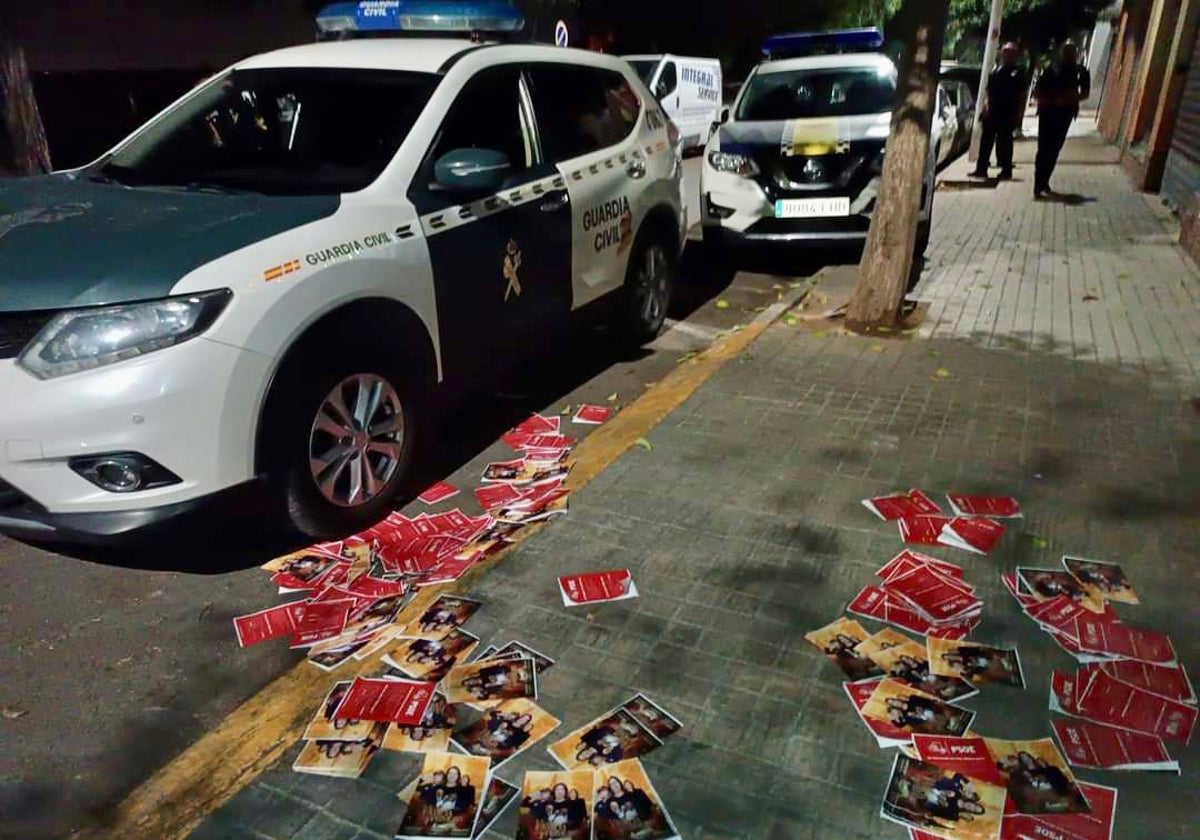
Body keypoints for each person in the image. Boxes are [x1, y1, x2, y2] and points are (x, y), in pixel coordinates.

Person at [1032, 41, 1090, 197]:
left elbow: (1085, 93)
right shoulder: (1052, 69)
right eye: (1066, 51)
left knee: (1055, 148)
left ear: (1076, 54)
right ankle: (1038, 183)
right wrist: (1047, 99)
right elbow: (1038, 89)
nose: (1068, 54)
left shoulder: (1080, 71)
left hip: (1065, 113)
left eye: (1071, 51)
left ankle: (1044, 181)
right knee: (1043, 148)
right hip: (1048, 112)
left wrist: (1070, 98)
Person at [970, 43, 1026, 180]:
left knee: (1005, 143)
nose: (1006, 55)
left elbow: (1022, 95)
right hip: (992, 112)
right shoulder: (996, 70)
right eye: (1005, 52)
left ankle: (1006, 170)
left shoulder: (1018, 73)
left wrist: (1019, 114)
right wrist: (986, 107)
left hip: (1007, 113)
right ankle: (981, 169)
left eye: (1010, 52)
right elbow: (989, 92)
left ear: (1015, 55)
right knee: (986, 142)